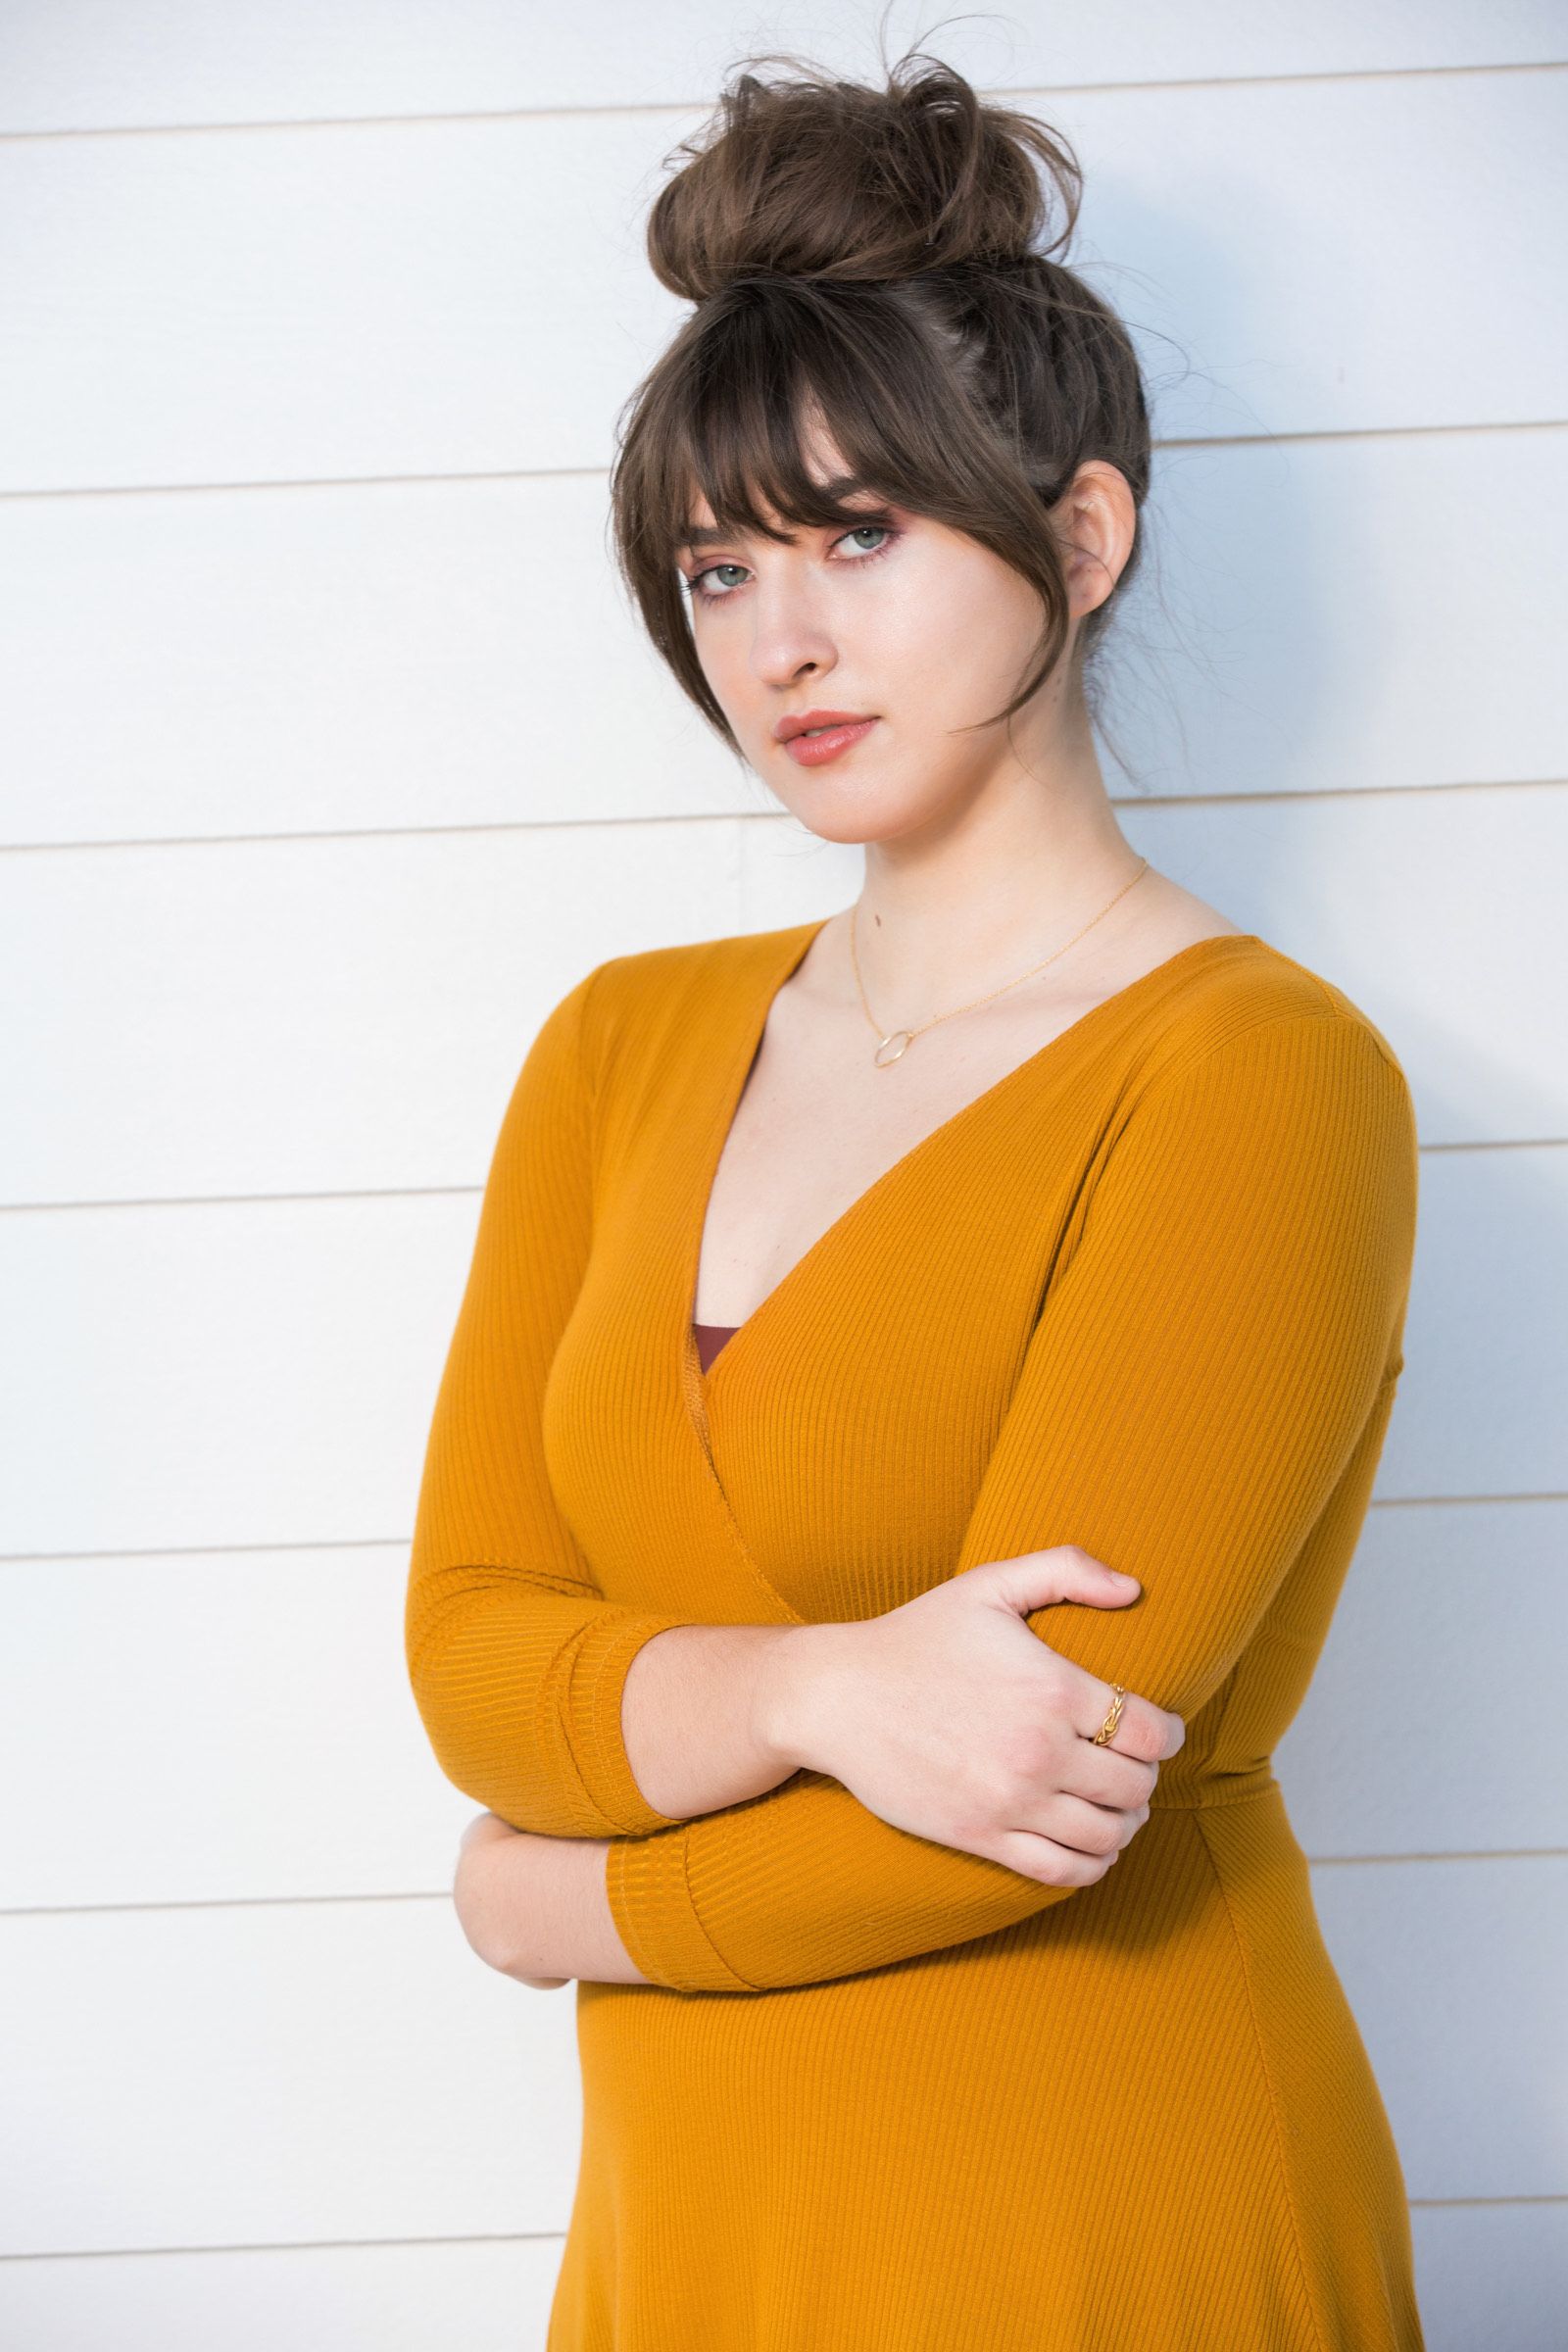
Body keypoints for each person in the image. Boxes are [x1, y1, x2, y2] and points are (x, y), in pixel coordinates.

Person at [406, 38, 1426, 2350]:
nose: (777, 640)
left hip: (1104, 2200)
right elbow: (472, 1652)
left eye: (859, 533)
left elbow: (1015, 1791)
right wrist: (815, 1685)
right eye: (718, 562)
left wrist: (539, 1905)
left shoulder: (1255, 1077)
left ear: (1077, 535)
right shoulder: (619, 1043)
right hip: (691, 2238)